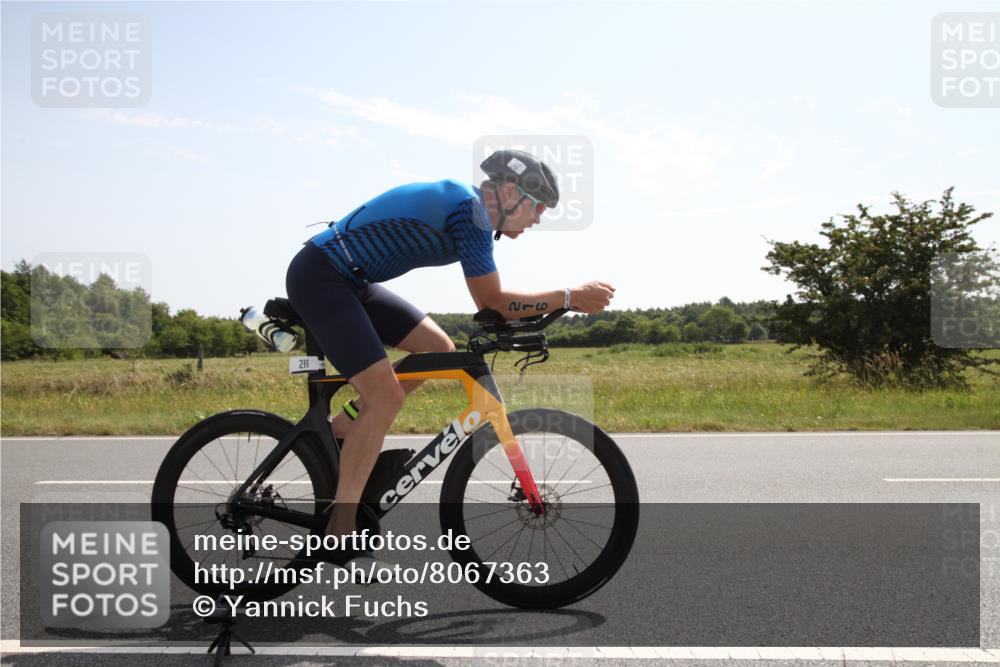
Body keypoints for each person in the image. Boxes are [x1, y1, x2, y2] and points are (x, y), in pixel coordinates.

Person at [284, 149, 615, 561]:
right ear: (511, 192)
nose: (539, 218)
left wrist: (535, 317)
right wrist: (569, 297)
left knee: (437, 349)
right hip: (322, 277)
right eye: (539, 207)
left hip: (351, 281)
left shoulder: (472, 213)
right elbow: (491, 300)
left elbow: (492, 306)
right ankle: (340, 530)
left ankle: (342, 430)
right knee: (385, 397)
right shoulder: (470, 211)